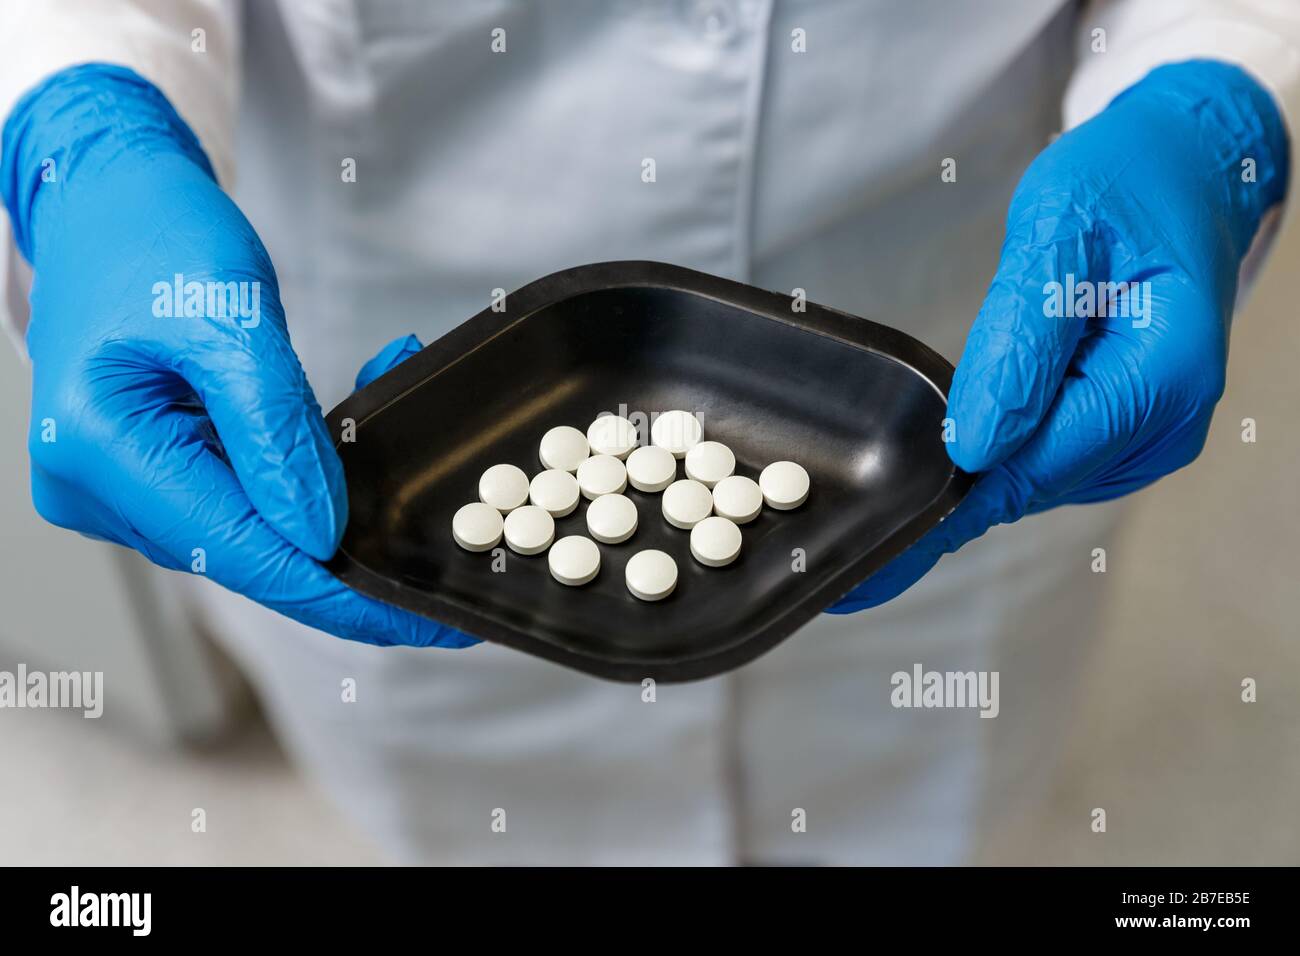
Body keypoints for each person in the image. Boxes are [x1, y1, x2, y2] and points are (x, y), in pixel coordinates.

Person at [0, 0, 1293, 864]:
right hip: (411, 361)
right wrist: (85, 130)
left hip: (936, 315)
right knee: (489, 824)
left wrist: (1212, 92)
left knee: (924, 800)